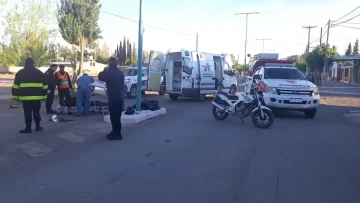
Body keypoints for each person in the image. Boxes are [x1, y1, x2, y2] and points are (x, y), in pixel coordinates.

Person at [11, 57, 47, 133]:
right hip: (37, 98)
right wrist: (44, 97)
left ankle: (28, 128)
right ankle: (38, 127)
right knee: (36, 112)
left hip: (25, 98)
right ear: (33, 63)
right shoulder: (39, 72)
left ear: (25, 63)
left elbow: (15, 86)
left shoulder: (20, 73)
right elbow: (45, 85)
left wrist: (15, 98)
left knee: (27, 112)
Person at [98, 57, 125, 140]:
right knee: (117, 116)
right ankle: (115, 132)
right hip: (120, 97)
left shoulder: (109, 72)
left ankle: (117, 134)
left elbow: (100, 77)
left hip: (113, 97)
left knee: (114, 117)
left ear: (109, 63)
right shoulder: (120, 73)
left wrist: (104, 70)